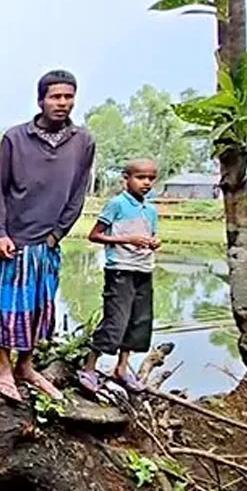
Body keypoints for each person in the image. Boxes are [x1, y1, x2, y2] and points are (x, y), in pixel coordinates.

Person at [0, 70, 93, 402]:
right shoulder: (15, 138)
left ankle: (27, 365)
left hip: (47, 241)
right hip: (15, 240)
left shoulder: (83, 141)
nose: (62, 103)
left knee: (38, 307)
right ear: (40, 100)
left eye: (68, 96)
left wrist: (57, 234)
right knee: (8, 307)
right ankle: (4, 367)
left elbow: (79, 193)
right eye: (55, 96)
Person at [77, 159, 160, 394]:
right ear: (126, 178)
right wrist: (126, 240)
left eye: (151, 178)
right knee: (116, 321)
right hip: (120, 270)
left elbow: (149, 234)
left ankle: (122, 368)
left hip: (144, 269)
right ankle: (89, 367)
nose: (146, 183)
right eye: (140, 177)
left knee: (139, 321)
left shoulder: (151, 209)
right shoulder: (117, 204)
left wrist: (153, 242)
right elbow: (95, 235)